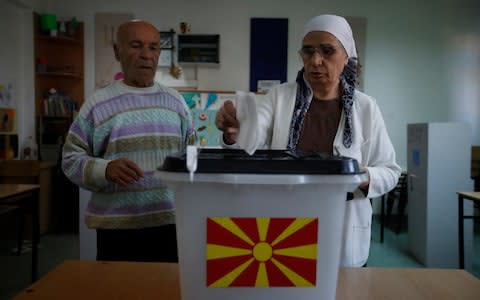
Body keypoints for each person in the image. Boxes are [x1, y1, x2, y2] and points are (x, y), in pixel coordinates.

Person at [215, 14, 401, 267]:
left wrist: (359, 175)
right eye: (308, 51)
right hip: (286, 220)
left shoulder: (365, 108)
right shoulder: (279, 97)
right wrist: (235, 132)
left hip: (344, 224)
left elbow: (390, 171)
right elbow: (254, 136)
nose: (315, 61)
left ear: (346, 56)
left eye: (327, 51)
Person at [62, 20, 195, 262]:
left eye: (154, 48)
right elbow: (70, 160)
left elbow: (193, 157)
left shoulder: (176, 102)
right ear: (117, 51)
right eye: (136, 45)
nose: (146, 55)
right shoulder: (97, 104)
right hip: (117, 231)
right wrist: (106, 169)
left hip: (170, 224)